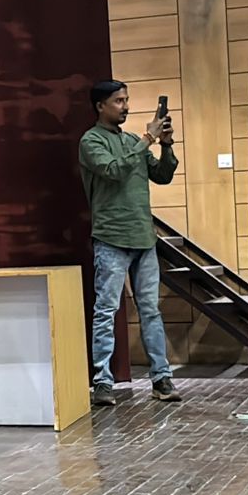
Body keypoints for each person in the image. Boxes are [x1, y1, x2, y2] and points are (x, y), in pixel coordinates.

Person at [79, 79, 181, 406]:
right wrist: (148, 139)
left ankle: (161, 379)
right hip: (111, 238)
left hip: (143, 239)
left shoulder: (133, 141)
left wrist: (165, 145)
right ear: (100, 106)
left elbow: (162, 175)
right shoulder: (91, 141)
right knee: (106, 311)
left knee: (150, 310)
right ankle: (102, 381)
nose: (126, 106)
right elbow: (113, 170)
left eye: (126, 100)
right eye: (119, 101)